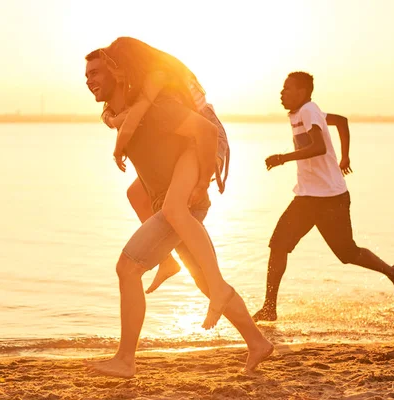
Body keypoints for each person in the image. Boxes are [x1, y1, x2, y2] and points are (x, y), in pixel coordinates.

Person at [83, 44, 273, 378]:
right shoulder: (125, 114)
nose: (89, 80)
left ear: (118, 71)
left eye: (96, 72)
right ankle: (257, 343)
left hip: (181, 205)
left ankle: (125, 360)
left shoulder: (156, 107)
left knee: (127, 268)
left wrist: (200, 184)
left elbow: (206, 131)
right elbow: (122, 124)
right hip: (170, 204)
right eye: (86, 75)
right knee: (204, 280)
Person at [252, 71, 394, 322]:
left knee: (347, 253)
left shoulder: (308, 111)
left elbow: (318, 147)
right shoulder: (306, 112)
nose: (282, 93)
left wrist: (282, 158)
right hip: (306, 198)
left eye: (287, 88)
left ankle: (392, 272)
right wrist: (344, 156)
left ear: (302, 92)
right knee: (279, 245)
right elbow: (342, 121)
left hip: (330, 199)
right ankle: (270, 308)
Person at [98, 37, 232, 330]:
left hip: (205, 137)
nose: (112, 72)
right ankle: (167, 260)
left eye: (113, 65)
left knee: (174, 208)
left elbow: (136, 116)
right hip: (189, 137)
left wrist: (203, 184)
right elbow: (127, 115)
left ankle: (219, 288)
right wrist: (111, 117)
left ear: (129, 61)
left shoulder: (156, 75)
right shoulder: (146, 80)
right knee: (136, 192)